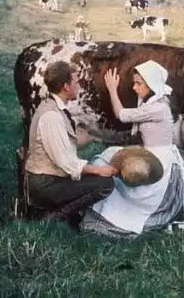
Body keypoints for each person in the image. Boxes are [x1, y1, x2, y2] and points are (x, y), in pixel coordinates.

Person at [79, 60, 184, 239]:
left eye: (138, 83)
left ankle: (115, 213)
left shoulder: (158, 108)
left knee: (124, 178)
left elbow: (122, 115)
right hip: (152, 153)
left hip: (159, 161)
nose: (134, 88)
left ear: (151, 85)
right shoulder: (152, 103)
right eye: (134, 82)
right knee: (106, 160)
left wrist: (112, 89)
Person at [22, 60, 118, 230]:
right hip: (44, 185)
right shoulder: (51, 116)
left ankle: (65, 214)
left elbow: (65, 144)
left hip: (46, 179)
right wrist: (99, 170)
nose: (79, 87)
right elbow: (66, 162)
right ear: (66, 87)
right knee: (105, 184)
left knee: (96, 177)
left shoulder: (52, 106)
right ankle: (53, 219)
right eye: (76, 82)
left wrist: (96, 135)